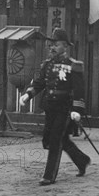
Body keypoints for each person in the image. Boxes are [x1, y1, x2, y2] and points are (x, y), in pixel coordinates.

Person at [19, 28, 90, 186]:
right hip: (50, 106)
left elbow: (79, 90)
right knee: (51, 140)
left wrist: (77, 110)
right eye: (51, 44)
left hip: (64, 108)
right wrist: (28, 94)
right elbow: (39, 83)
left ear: (65, 46)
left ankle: (49, 175)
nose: (53, 48)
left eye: (56, 45)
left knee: (56, 139)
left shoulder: (74, 65)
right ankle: (82, 160)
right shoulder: (47, 65)